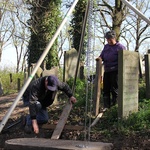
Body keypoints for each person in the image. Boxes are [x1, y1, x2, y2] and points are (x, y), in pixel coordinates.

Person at [99, 30, 126, 110]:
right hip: (107, 70)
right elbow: (102, 56)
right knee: (106, 88)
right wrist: (99, 58)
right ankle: (106, 106)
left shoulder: (120, 47)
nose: (109, 41)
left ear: (114, 38)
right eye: (107, 39)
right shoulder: (106, 47)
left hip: (116, 71)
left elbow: (124, 59)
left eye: (110, 39)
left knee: (114, 89)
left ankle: (115, 106)